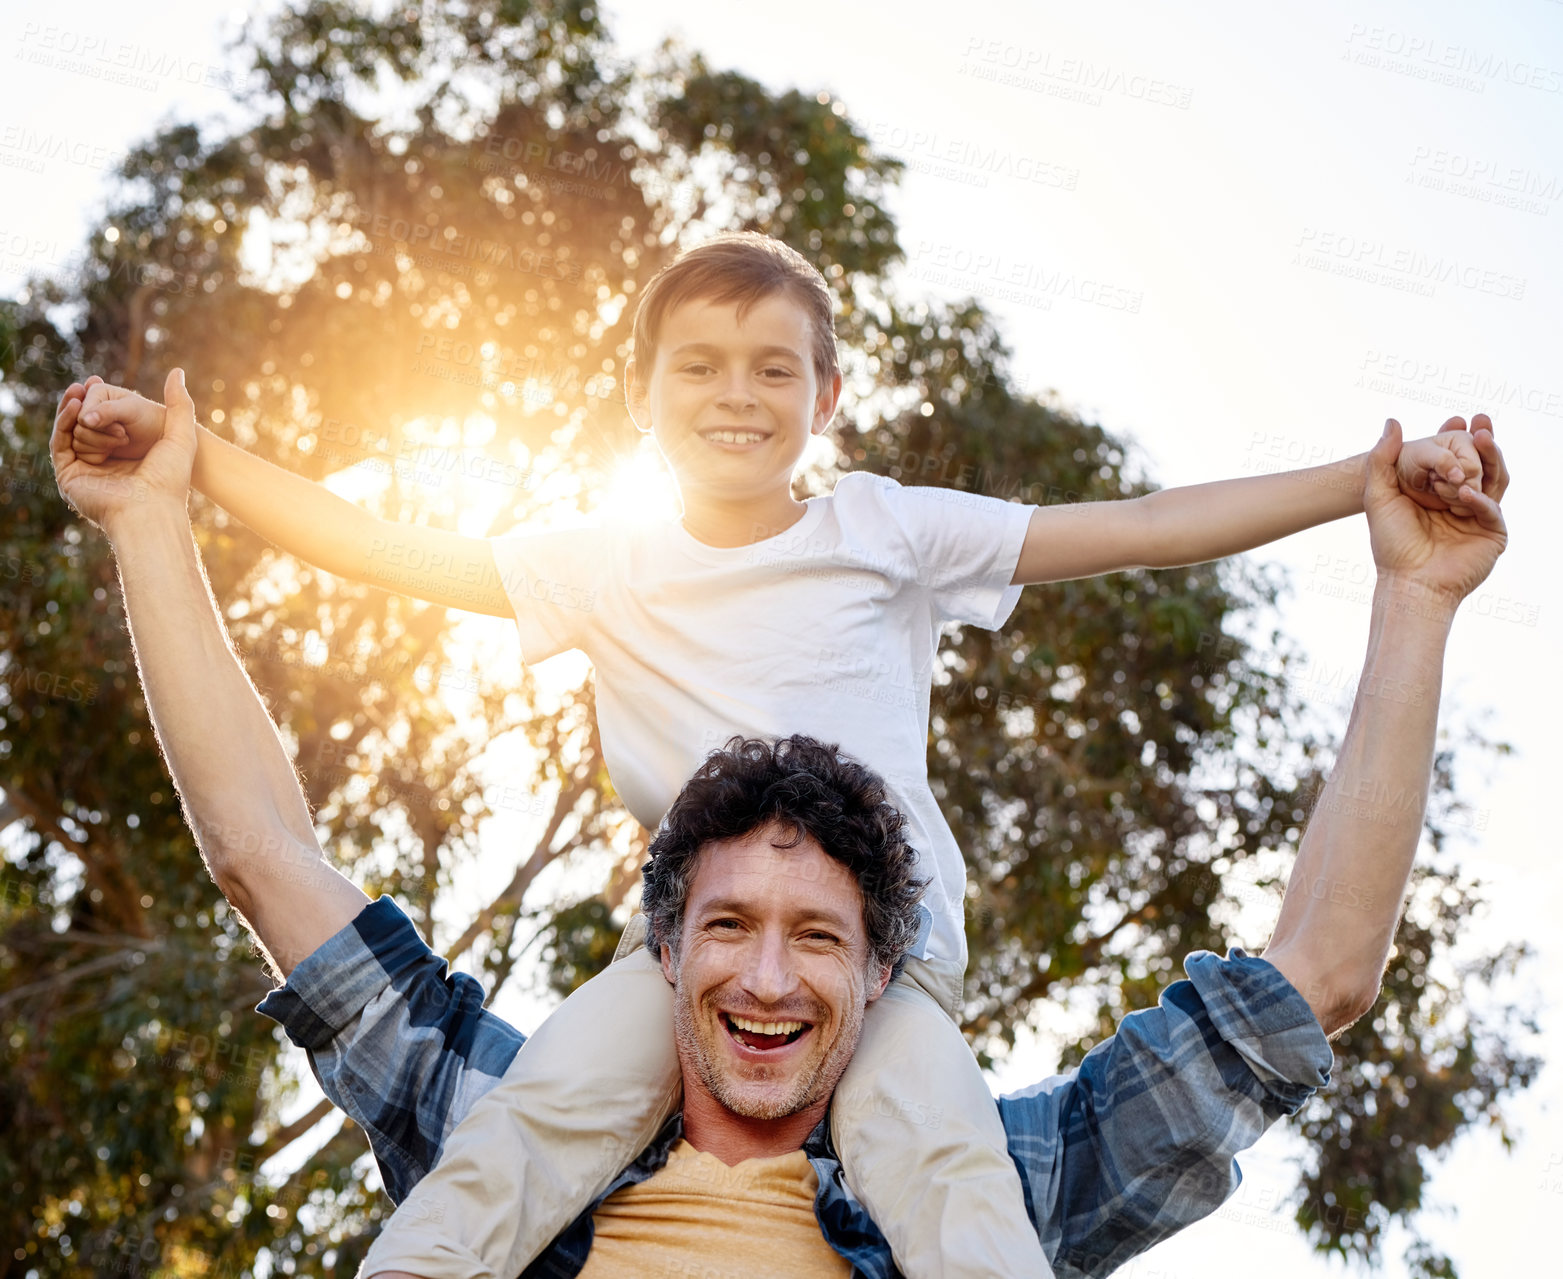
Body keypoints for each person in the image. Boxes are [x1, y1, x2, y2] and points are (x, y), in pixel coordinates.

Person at [56, 234, 1496, 1279]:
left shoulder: (883, 528)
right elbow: (383, 557)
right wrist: (188, 478)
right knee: (520, 1141)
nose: (736, 393)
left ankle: (858, 985)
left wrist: (1355, 492)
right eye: (697, 365)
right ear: (639, 397)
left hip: (914, 963)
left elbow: (1133, 526)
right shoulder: (603, 564)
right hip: (655, 977)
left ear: (825, 399)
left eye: (774, 367)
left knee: (946, 1175)